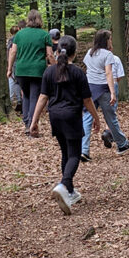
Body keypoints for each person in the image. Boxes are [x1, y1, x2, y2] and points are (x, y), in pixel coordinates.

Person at [29, 36, 100, 215]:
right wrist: (96, 118)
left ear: (57, 50)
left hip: (55, 117)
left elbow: (43, 97)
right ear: (74, 53)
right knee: (74, 154)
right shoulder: (77, 73)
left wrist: (34, 121)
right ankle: (64, 185)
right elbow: (87, 99)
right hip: (71, 116)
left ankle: (69, 190)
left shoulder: (49, 72)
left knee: (65, 153)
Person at [81, 29, 129, 161]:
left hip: (90, 88)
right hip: (103, 89)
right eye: (110, 38)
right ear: (106, 40)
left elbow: (88, 69)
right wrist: (113, 92)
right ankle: (122, 143)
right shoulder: (107, 55)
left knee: (87, 117)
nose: (111, 41)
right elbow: (109, 73)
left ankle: (84, 149)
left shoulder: (89, 53)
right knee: (110, 117)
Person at [6, 10, 55, 134]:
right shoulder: (44, 35)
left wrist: (9, 68)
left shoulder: (20, 34)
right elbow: (50, 54)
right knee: (34, 96)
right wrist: (56, 68)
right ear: (39, 19)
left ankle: (27, 122)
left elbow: (13, 52)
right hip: (37, 70)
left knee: (26, 95)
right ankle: (32, 125)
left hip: (21, 70)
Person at [100, 46, 126, 149]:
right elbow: (119, 75)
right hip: (113, 83)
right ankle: (108, 132)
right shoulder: (115, 59)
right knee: (112, 111)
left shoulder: (97, 59)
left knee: (106, 111)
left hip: (99, 85)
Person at [7, 25, 23, 112]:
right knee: (17, 82)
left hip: (13, 63)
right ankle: (19, 100)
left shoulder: (10, 40)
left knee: (13, 81)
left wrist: (8, 65)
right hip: (18, 62)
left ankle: (13, 100)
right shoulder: (18, 40)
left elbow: (8, 53)